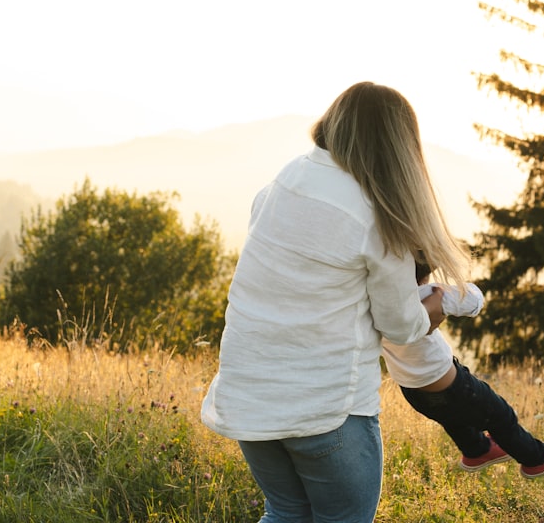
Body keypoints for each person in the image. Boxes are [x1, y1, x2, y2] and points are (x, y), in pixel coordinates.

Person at [200, 81, 471, 523]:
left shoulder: (285, 179)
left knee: (285, 513)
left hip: (250, 397)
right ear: (400, 149)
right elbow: (401, 327)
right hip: (326, 409)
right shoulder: (377, 213)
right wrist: (440, 303)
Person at [381, 261, 544, 477]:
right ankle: (538, 458)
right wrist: (445, 290)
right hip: (450, 383)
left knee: (450, 417)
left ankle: (478, 450)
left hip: (412, 391)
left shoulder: (378, 302)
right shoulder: (427, 293)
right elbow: (474, 300)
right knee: (500, 416)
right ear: (423, 275)